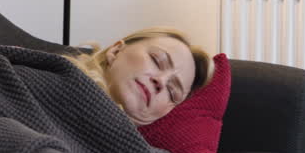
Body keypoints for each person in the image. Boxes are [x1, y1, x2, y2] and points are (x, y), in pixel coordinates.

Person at [64, 27, 214, 126]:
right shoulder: (49, 79)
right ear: (115, 51)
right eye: (157, 60)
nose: (161, 81)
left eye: (172, 91)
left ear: (167, 111)